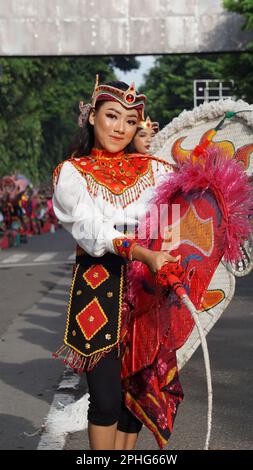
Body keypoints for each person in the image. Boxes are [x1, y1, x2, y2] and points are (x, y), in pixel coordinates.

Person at [52, 76, 179, 450]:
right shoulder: (72, 173)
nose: (120, 128)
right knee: (105, 399)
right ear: (92, 117)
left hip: (146, 287)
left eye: (129, 120)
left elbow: (172, 217)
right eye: (111, 116)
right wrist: (144, 252)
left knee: (134, 397)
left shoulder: (156, 171)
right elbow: (92, 232)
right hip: (98, 287)